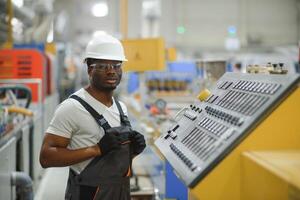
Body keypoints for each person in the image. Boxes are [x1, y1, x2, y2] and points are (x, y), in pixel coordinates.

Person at [39, 34, 146, 200]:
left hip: (120, 192)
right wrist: (96, 149)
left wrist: (133, 150)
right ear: (90, 69)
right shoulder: (72, 107)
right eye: (103, 66)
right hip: (88, 194)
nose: (111, 71)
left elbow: (112, 159)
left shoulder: (121, 108)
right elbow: (46, 157)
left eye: (116, 65)